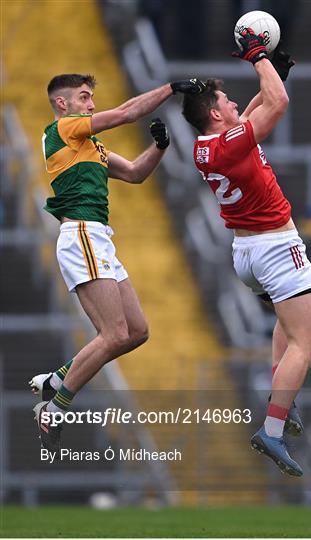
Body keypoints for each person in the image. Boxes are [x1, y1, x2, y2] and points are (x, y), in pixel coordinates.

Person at [30, 73, 206, 452]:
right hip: (81, 233)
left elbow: (135, 173)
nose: (91, 104)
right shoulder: (64, 129)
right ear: (63, 103)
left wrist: (159, 146)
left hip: (99, 239)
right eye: (84, 97)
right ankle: (54, 408)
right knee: (112, 334)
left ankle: (59, 379)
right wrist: (171, 89)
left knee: (137, 331)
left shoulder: (89, 147)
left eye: (92, 97)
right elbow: (126, 113)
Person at [182, 31, 311, 476]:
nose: (235, 104)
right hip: (276, 247)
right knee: (306, 341)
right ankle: (273, 431)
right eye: (226, 101)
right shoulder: (228, 142)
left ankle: (284, 398)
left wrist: (273, 71)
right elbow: (276, 105)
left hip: (247, 254)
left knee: (286, 323)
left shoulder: (209, 144)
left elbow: (261, 104)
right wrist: (257, 55)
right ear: (214, 114)